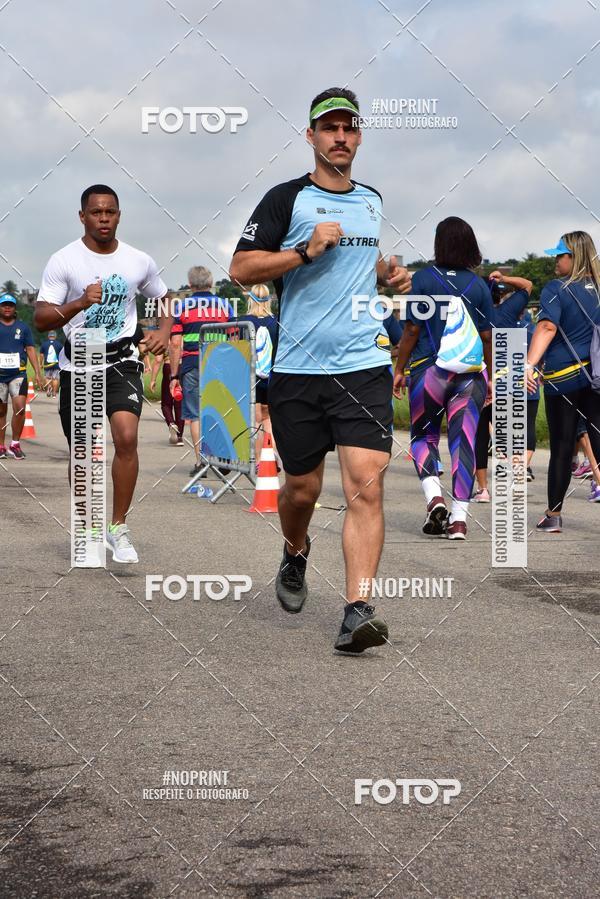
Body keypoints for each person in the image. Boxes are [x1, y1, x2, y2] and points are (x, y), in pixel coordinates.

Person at [230, 87, 411, 654]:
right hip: (299, 369)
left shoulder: (373, 200)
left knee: (365, 485)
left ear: (359, 135)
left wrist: (385, 276)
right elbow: (241, 268)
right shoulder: (286, 199)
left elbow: (357, 273)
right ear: (310, 136)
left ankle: (358, 610)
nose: (340, 137)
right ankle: (294, 550)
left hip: (363, 364)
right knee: (302, 488)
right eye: (329, 128)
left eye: (349, 128)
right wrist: (304, 252)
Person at [34, 184, 171, 563]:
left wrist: (162, 330)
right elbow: (42, 317)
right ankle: (87, 526)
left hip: (122, 358)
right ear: (83, 217)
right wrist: (79, 301)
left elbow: (162, 295)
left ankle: (118, 526)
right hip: (79, 358)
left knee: (126, 436)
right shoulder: (64, 260)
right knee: (86, 452)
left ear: (119, 215)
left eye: (110, 212)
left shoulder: (137, 260)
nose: (104, 218)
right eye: (96, 212)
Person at [393, 217, 494, 540]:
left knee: (424, 438)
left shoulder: (423, 279)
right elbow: (487, 336)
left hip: (428, 372)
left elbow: (411, 328)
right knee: (464, 444)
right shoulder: (479, 286)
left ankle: (434, 498)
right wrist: (488, 375)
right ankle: (460, 521)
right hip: (468, 376)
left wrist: (400, 368)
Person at [526, 232, 600, 532]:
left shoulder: (556, 289)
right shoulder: (597, 289)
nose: (556, 260)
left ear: (574, 256)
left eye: (560, 255)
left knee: (562, 445)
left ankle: (553, 515)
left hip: (564, 377)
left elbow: (546, 326)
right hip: (595, 376)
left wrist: (529, 366)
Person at [473, 272, 532, 501]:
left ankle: (483, 489)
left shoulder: (474, 315)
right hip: (507, 380)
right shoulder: (507, 311)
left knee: (479, 435)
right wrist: (503, 277)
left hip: (480, 378)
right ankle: (513, 486)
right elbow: (527, 284)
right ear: (499, 296)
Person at [169, 266, 233, 477]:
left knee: (195, 414)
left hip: (191, 364)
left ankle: (201, 462)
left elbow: (176, 343)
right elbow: (234, 337)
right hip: (220, 364)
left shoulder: (182, 308)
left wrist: (174, 375)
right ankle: (223, 456)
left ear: (190, 285)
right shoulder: (225, 306)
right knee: (220, 411)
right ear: (211, 282)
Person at [235, 284, 278, 463]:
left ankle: (259, 459)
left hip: (250, 375)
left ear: (250, 299)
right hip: (272, 375)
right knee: (268, 418)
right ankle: (271, 457)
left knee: (256, 418)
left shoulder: (244, 322)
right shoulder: (275, 321)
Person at [0, 294, 45, 459]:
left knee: (19, 407)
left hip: (18, 374)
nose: (7, 308)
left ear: (14, 309)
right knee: (1, 410)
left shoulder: (23, 328)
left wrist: (38, 373)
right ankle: (1, 446)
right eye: (4, 305)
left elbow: (31, 349)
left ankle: (15, 444)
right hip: (0, 376)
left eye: (10, 305)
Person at [150, 351, 184, 445]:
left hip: (168, 367)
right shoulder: (182, 337)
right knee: (179, 403)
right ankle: (180, 437)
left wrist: (153, 379)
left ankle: (171, 423)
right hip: (182, 366)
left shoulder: (165, 338)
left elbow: (158, 360)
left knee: (166, 403)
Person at [39, 329, 63, 397]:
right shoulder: (59, 344)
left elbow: (41, 355)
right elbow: (62, 355)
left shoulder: (44, 344)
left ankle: (49, 387)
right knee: (55, 379)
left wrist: (41, 364)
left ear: (48, 336)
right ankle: (54, 393)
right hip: (56, 364)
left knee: (47, 377)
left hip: (47, 365)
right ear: (55, 336)